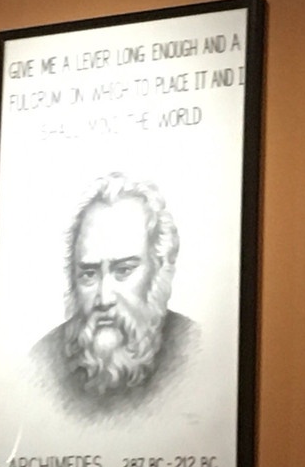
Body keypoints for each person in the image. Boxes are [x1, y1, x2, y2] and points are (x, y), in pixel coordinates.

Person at [29, 173, 200, 420]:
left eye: (123, 271)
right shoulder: (40, 364)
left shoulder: (196, 351)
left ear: (159, 269)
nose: (104, 298)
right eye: (89, 274)